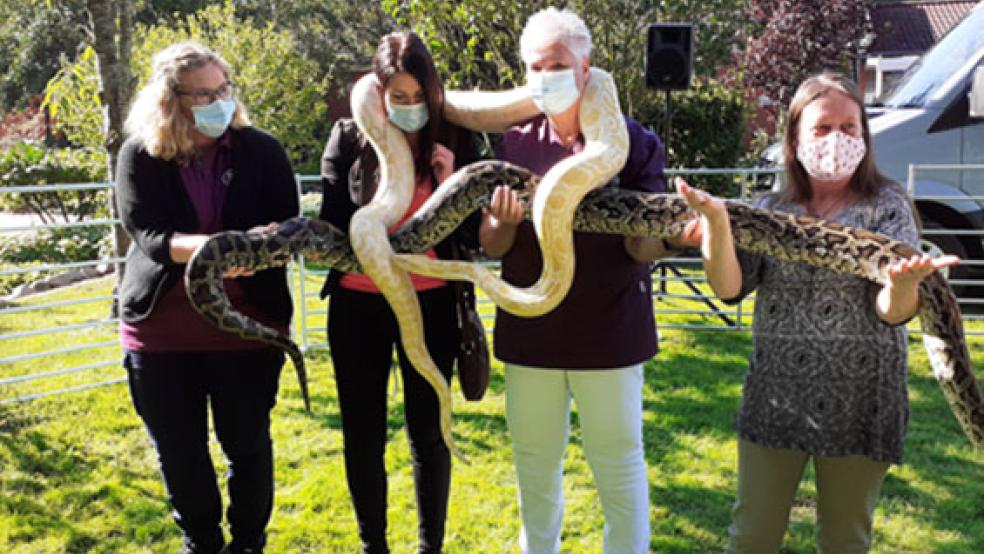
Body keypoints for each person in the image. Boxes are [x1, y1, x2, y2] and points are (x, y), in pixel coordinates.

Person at [678, 72, 959, 553]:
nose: (837, 140)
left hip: (861, 398)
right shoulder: (769, 208)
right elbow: (729, 287)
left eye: (850, 128)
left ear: (865, 138)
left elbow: (892, 313)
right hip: (776, 396)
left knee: (846, 541)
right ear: (795, 138)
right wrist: (717, 228)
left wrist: (903, 285)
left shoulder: (886, 206)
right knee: (751, 537)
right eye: (823, 128)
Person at [480, 8, 694, 553]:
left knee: (619, 466)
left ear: (586, 67)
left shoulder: (635, 143)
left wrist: (671, 238)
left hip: (611, 332)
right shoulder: (515, 144)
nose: (546, 74)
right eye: (535, 66)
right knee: (534, 467)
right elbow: (492, 246)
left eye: (558, 63)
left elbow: (638, 245)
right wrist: (500, 222)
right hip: (531, 329)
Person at [115, 41, 299, 554]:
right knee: (181, 453)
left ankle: (248, 544)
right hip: (162, 337)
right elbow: (148, 234)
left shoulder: (260, 149)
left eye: (223, 89)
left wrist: (263, 246)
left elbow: (288, 223)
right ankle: (202, 543)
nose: (219, 102)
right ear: (170, 99)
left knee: (249, 449)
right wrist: (215, 250)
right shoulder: (140, 153)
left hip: (247, 328)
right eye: (203, 95)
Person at [318, 31, 482, 554]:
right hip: (359, 303)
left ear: (433, 92)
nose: (409, 107)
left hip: (432, 301)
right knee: (362, 433)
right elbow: (334, 227)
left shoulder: (456, 138)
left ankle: (429, 545)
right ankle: (374, 545)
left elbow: (475, 233)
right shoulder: (348, 139)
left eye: (419, 96)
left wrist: (451, 181)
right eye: (399, 98)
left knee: (429, 432)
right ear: (380, 93)